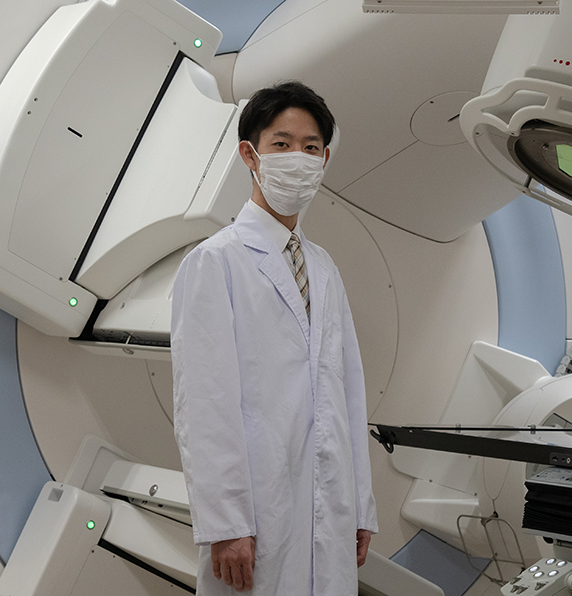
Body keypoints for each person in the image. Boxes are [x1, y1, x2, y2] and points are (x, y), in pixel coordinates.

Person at [171, 81, 378, 595]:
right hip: (256, 509)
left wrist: (359, 504)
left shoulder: (324, 268)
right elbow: (205, 401)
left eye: (310, 147)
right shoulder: (215, 261)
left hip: (329, 502)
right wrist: (226, 523)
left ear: (324, 160)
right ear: (250, 154)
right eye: (281, 144)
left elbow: (348, 392)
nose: (298, 158)